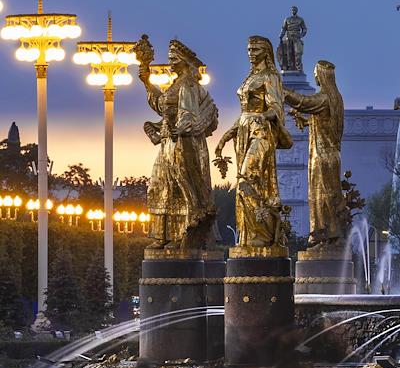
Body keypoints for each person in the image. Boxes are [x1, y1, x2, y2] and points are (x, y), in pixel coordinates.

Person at [137, 39, 218, 250]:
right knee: (160, 186)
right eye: (170, 57)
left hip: (182, 143)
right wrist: (147, 82)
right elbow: (161, 105)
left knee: (178, 188)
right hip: (168, 142)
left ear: (184, 61)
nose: (170, 61)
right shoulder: (176, 84)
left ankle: (179, 234)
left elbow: (189, 114)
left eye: (174, 58)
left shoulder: (188, 85)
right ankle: (162, 235)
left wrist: (181, 128)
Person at [215, 35, 293, 251]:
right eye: (249, 49)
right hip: (243, 133)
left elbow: (276, 107)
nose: (251, 53)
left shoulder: (270, 76)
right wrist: (224, 137)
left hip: (261, 135)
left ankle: (264, 232)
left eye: (256, 49)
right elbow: (244, 115)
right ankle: (250, 236)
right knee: (248, 183)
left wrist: (262, 116)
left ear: (266, 52)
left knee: (247, 179)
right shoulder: (250, 77)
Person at [286, 60, 349, 250]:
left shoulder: (323, 98)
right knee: (330, 194)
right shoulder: (335, 98)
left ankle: (324, 235)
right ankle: (332, 236)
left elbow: (303, 102)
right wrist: (305, 121)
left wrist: (281, 91)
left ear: (322, 75)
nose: (314, 75)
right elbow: (323, 123)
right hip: (332, 156)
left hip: (322, 157)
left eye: (316, 72)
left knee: (321, 195)